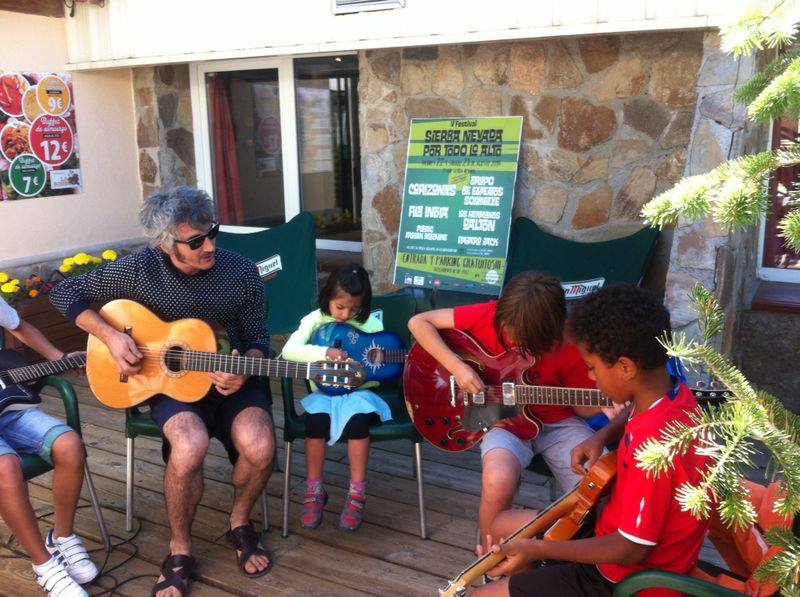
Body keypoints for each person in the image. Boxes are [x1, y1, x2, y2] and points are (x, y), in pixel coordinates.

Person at [50, 187, 275, 596]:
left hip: (230, 378)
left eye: (213, 233)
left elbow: (258, 336)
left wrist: (247, 364)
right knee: (189, 445)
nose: (209, 246)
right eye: (195, 241)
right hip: (165, 382)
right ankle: (180, 548)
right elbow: (63, 291)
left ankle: (239, 522)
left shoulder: (240, 272)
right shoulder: (138, 270)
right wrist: (111, 337)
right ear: (164, 244)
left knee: (259, 445)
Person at [472, 284, 712, 597]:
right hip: (610, 527)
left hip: (623, 579)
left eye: (592, 367)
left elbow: (631, 548)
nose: (589, 378)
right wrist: (602, 435)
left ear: (625, 367)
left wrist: (539, 549)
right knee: (502, 526)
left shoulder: (654, 449)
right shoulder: (673, 393)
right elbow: (635, 412)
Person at [407, 270, 599, 549]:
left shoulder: (570, 340)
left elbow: (581, 410)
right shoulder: (489, 314)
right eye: (507, 327)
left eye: (520, 335)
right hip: (503, 421)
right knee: (497, 480)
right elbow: (419, 321)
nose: (510, 335)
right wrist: (457, 366)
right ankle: (489, 561)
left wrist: (609, 401)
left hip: (557, 423)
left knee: (598, 483)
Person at [281, 264, 392, 532]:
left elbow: (380, 368)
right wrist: (324, 352)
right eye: (340, 307)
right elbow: (289, 351)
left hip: (359, 393)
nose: (346, 314)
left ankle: (357, 494)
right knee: (315, 424)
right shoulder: (314, 320)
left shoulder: (371, 324)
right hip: (324, 394)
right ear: (328, 296)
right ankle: (314, 489)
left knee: (358, 425)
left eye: (353, 309)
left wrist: (364, 375)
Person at [0, 296, 97, 596]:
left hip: (9, 408)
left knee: (69, 445)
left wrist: (59, 358)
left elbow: (19, 326)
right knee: (5, 466)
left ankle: (62, 538)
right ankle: (43, 564)